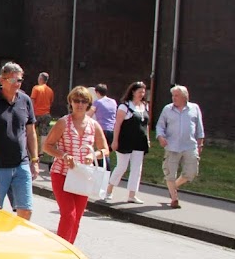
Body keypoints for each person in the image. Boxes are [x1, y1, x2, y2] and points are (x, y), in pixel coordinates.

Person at [42, 86, 110, 244]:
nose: (80, 104)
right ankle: (61, 251)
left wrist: (93, 155)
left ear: (88, 104)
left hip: (83, 175)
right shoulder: (63, 122)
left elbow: (105, 150)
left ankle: (69, 249)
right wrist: (63, 155)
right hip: (62, 173)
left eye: (84, 101)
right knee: (69, 214)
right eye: (76, 101)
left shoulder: (93, 125)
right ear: (70, 102)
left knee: (77, 217)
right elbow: (47, 146)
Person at [0, 62, 39, 220]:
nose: (16, 84)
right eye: (12, 80)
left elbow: (31, 132)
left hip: (21, 165)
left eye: (19, 80)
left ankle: (18, 236)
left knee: (26, 209)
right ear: (2, 80)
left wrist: (35, 160)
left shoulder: (25, 100)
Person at [155, 85, 205, 209]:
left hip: (190, 146)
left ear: (184, 96)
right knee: (169, 173)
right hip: (172, 146)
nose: (174, 98)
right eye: (173, 95)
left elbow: (199, 128)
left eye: (176, 96)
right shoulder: (167, 109)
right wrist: (160, 137)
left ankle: (174, 186)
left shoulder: (194, 108)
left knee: (191, 172)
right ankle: (174, 199)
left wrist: (200, 143)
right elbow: (160, 126)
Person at [105, 81, 150, 203]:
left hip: (139, 142)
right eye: (139, 92)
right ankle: (109, 190)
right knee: (122, 167)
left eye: (143, 92)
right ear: (133, 92)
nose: (142, 94)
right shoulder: (124, 106)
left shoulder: (144, 106)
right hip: (125, 141)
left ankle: (132, 194)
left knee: (137, 168)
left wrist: (147, 139)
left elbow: (146, 125)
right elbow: (117, 125)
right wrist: (115, 141)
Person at [30, 72, 54, 148]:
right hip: (46, 114)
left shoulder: (36, 88)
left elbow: (32, 101)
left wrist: (30, 112)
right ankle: (42, 151)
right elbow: (51, 102)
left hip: (36, 114)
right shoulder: (50, 90)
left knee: (31, 132)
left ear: (40, 79)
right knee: (44, 134)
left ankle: (31, 149)